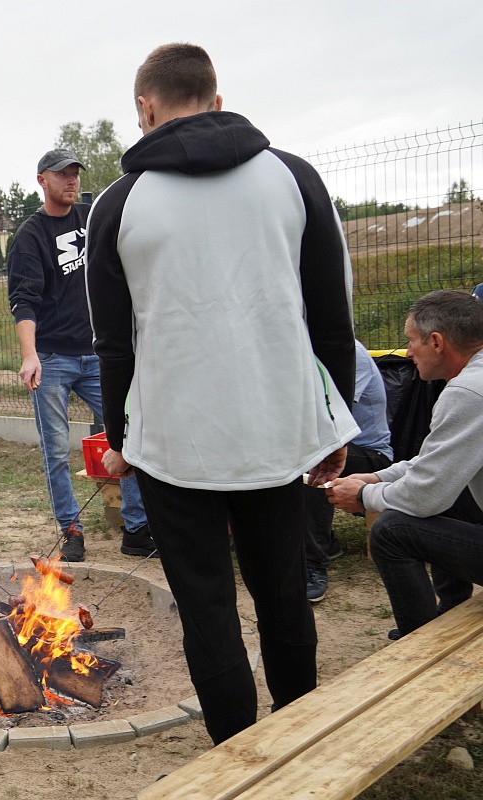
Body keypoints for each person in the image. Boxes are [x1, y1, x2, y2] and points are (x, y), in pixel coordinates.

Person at [85, 43, 359, 745]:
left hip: (174, 442)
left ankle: (235, 754)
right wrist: (334, 425)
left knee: (207, 609)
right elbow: (332, 319)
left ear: (145, 107)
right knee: (284, 594)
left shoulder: (118, 204)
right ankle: (297, 743)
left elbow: (114, 344)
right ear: (216, 99)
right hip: (278, 431)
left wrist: (122, 438)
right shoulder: (294, 178)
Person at [6, 147, 151, 562]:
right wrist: (30, 355)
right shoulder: (30, 237)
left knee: (131, 434)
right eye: (61, 174)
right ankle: (71, 531)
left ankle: (137, 528)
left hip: (99, 356)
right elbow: (23, 301)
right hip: (52, 359)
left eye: (75, 173)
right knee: (56, 449)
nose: (71, 180)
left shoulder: (91, 218)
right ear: (42, 180)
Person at [327, 289, 483, 638]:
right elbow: (435, 463)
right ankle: (452, 609)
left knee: (391, 531)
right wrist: (377, 477)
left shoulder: (468, 392)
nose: (409, 352)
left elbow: (425, 496)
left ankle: (420, 643)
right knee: (452, 493)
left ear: (437, 342)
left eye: (411, 340)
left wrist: (363, 496)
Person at [302, 340, 393, 603]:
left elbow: (329, 415)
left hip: (372, 455)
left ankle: (313, 564)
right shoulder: (301, 351)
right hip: (335, 447)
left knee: (312, 459)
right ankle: (326, 541)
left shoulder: (348, 353)